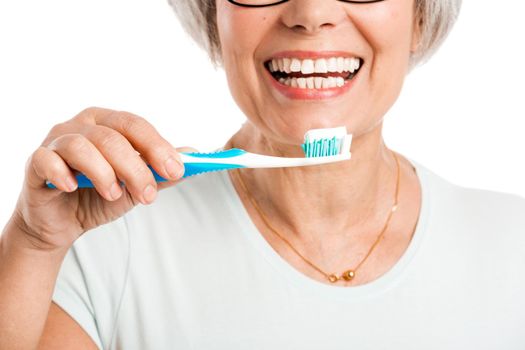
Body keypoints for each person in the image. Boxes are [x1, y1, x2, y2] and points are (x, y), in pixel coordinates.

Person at [1, 0, 524, 348]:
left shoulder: (512, 248)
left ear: (419, 16)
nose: (310, 13)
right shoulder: (102, 246)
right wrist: (32, 245)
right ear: (212, 16)